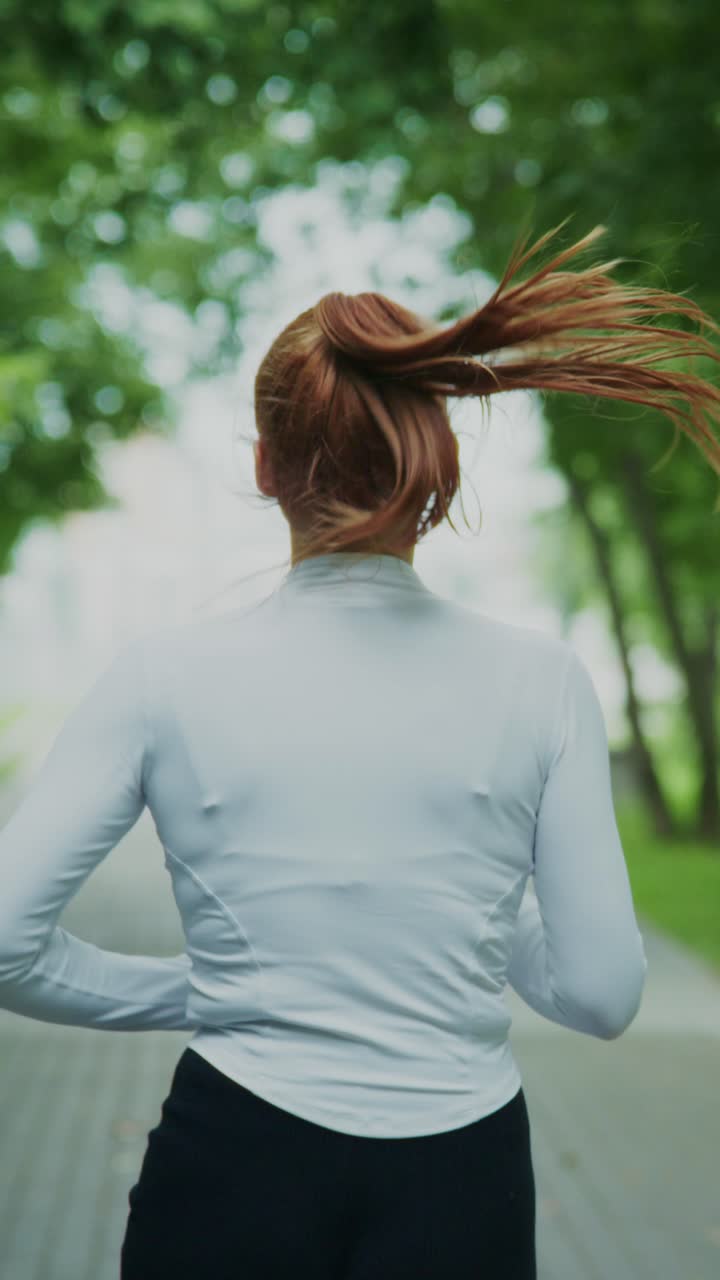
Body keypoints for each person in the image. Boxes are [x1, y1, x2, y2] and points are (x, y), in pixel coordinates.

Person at [1, 219, 719, 1280]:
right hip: (461, 1179)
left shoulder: (160, 677)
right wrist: (477, 903)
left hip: (230, 1162)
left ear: (263, 465)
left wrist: (200, 989)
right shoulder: (542, 681)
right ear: (436, 459)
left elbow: (9, 940)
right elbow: (605, 994)